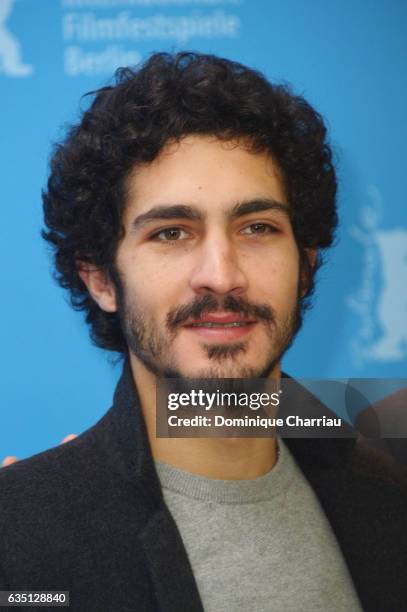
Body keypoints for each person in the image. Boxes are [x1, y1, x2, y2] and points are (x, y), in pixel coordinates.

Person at [0, 52, 406, 612]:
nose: (222, 275)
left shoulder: (388, 496)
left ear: (306, 264)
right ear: (101, 281)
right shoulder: (20, 537)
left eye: (258, 227)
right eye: (171, 233)